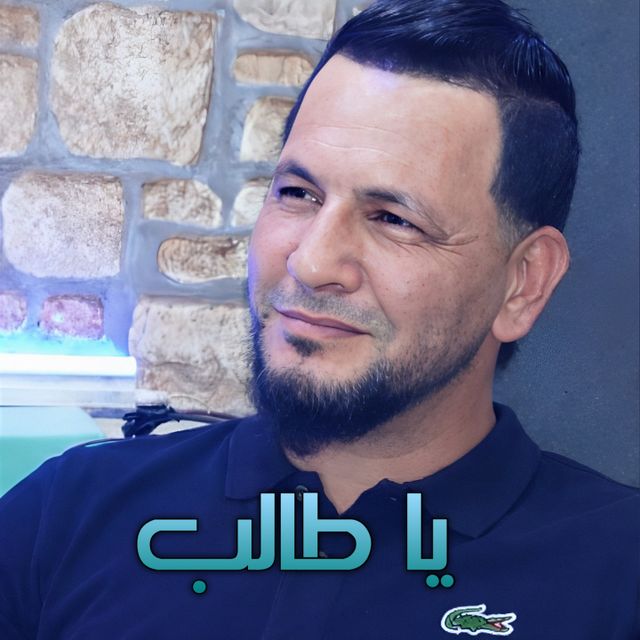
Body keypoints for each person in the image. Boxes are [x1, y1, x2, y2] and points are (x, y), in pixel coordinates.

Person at [1, 0, 638, 638]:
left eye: (394, 219)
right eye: (298, 193)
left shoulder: (615, 578)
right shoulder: (67, 516)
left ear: (523, 284)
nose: (309, 262)